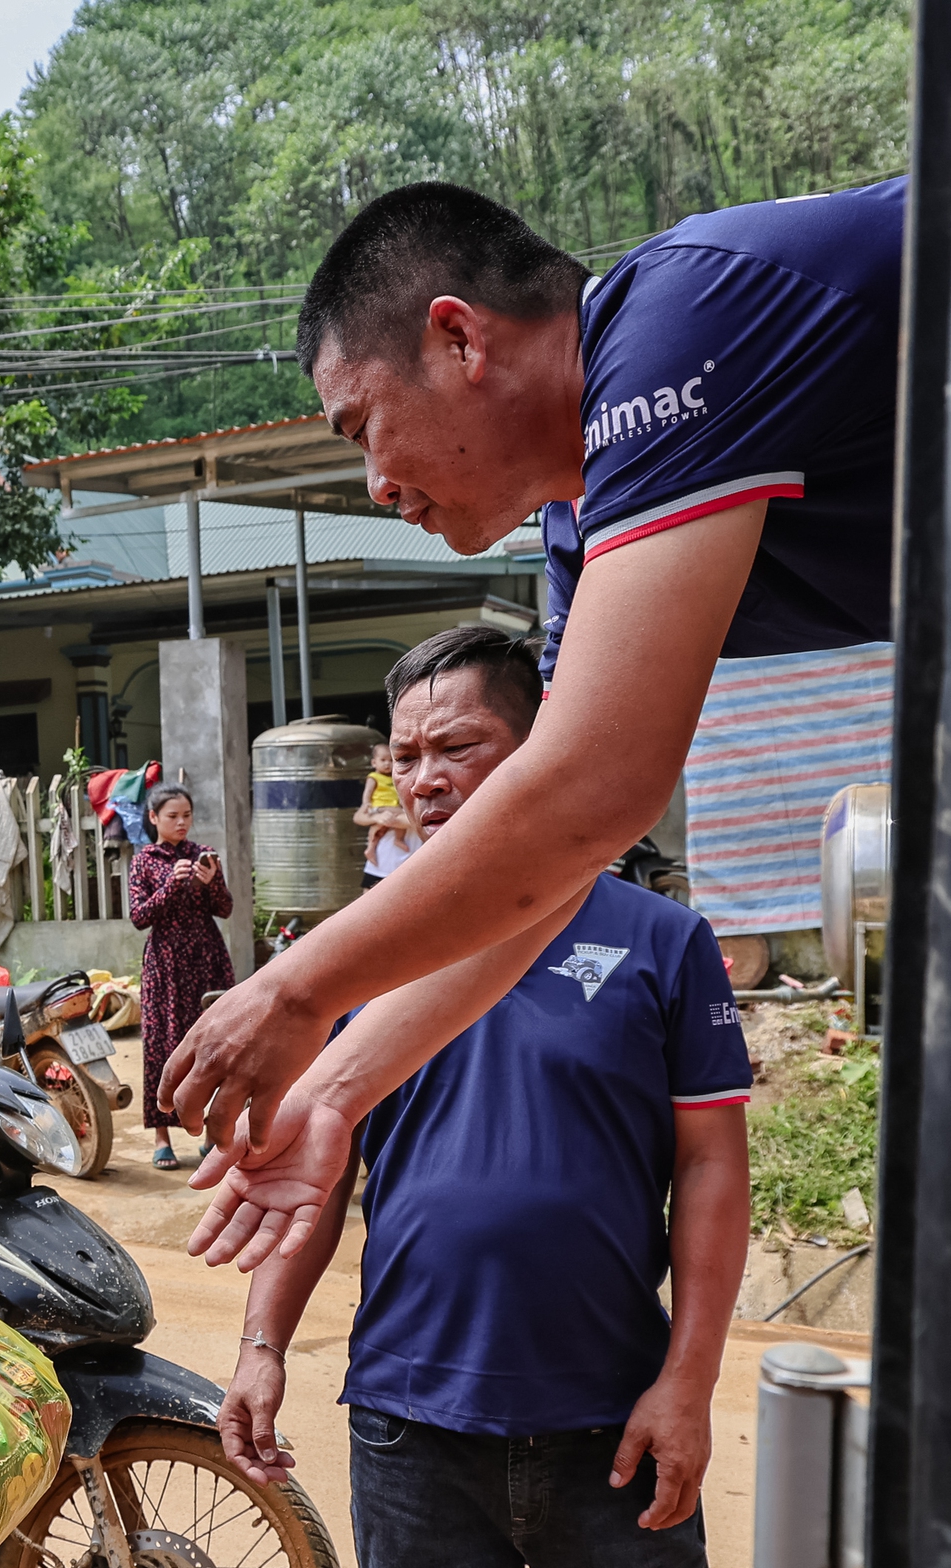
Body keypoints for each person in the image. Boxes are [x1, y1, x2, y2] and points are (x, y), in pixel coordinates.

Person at [164, 176, 904, 1204]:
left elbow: (590, 789)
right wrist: (335, 1092)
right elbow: (550, 866)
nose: (373, 486)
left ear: (459, 340)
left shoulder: (677, 321)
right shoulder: (577, 528)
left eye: (360, 425)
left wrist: (296, 988)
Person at [217, 626, 752, 1568]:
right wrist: (261, 1344)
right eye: (403, 758)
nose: (423, 780)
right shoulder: (356, 954)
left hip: (613, 1431)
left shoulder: (660, 942)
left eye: (454, 746)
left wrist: (686, 1385)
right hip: (412, 1433)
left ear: (542, 746)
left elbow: (710, 1170)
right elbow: (310, 1180)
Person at [129, 782, 234, 1171]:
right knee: (163, 1045)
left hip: (207, 959)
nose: (181, 823)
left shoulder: (203, 855)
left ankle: (211, 1134)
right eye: (173, 816)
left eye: (186, 816)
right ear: (154, 818)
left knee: (216, 1044)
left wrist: (213, 884)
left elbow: (224, 909)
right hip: (165, 963)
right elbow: (140, 916)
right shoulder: (144, 860)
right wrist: (171, 886)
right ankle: (162, 1137)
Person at [354, 741, 416, 891]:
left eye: (392, 760)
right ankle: (371, 847)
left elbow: (412, 821)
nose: (388, 764)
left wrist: (386, 812)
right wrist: (376, 817)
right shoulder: (376, 778)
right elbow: (358, 817)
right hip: (380, 863)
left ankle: (390, 841)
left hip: (409, 865)